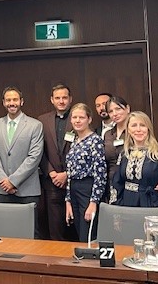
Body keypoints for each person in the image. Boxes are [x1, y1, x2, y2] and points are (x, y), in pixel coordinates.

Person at [0, 86, 44, 236]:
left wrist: (13, 181)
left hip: (27, 189)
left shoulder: (35, 125)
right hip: (2, 189)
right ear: (3, 103)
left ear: (22, 101)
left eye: (15, 99)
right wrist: (4, 181)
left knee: (29, 232)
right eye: (8, 100)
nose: (11, 103)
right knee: (4, 232)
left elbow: (34, 157)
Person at [110, 111, 158, 214]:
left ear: (148, 129)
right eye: (134, 125)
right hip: (127, 205)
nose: (138, 129)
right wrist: (116, 208)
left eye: (142, 125)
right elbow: (117, 183)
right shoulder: (124, 154)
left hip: (150, 204)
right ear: (128, 130)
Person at [64, 103, 107, 243]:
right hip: (74, 190)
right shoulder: (75, 141)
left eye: (81, 117)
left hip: (88, 189)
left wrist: (94, 201)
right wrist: (68, 200)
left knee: (87, 234)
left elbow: (100, 173)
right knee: (79, 233)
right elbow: (70, 173)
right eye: (74, 117)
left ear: (89, 119)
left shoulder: (95, 140)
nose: (77, 120)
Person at [38, 84, 73, 241]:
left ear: (70, 99)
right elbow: (39, 151)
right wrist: (52, 173)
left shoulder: (78, 118)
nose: (61, 101)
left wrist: (67, 174)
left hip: (74, 181)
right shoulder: (42, 120)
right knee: (55, 228)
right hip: (51, 183)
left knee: (75, 227)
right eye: (57, 98)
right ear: (52, 100)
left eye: (64, 97)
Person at [103, 96, 131, 188]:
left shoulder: (136, 131)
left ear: (127, 109)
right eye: (110, 111)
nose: (114, 114)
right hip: (111, 183)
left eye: (118, 109)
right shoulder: (107, 134)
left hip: (131, 183)